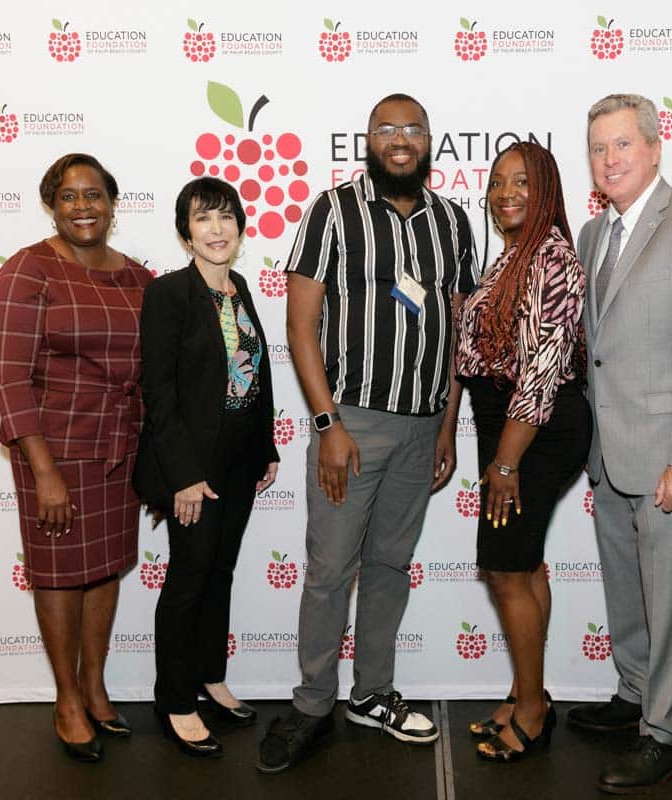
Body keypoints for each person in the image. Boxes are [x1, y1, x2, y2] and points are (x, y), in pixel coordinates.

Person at [257, 93, 477, 774]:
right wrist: (328, 424)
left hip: (423, 427)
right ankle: (311, 704)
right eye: (387, 129)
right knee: (330, 572)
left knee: (389, 567)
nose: (400, 139)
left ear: (429, 141)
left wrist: (447, 427)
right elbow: (300, 327)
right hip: (351, 425)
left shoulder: (453, 221)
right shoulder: (332, 211)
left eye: (413, 129)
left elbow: (458, 332)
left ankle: (372, 693)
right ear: (369, 141)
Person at [567, 95, 672, 792]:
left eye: (622, 144)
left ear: (655, 147)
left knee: (670, 603)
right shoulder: (592, 234)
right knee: (629, 593)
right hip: (611, 455)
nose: (609, 159)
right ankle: (636, 694)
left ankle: (668, 733)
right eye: (598, 148)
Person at [0, 153, 152, 763]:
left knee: (105, 567)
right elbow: (9, 377)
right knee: (59, 572)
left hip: (118, 444)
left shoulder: (139, 278)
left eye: (93, 195)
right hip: (52, 447)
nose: (83, 206)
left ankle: (95, 687)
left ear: (112, 202)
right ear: (51, 205)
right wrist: (44, 471)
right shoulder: (27, 271)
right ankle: (65, 698)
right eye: (68, 196)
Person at [133, 178, 280, 756]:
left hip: (241, 461)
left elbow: (255, 373)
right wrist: (184, 476)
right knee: (189, 578)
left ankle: (210, 678)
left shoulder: (240, 289)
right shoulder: (169, 294)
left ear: (240, 227)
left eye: (226, 217)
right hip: (193, 466)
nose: (217, 229)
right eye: (203, 219)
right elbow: (159, 392)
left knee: (220, 573)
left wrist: (267, 446)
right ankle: (174, 698)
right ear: (185, 232)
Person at [454, 141, 591, 762]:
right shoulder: (510, 257)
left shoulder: (553, 258)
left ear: (547, 193)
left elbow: (539, 371)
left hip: (535, 430)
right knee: (525, 564)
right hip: (506, 427)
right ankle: (525, 692)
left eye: (522, 183)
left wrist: (506, 462)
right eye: (498, 182)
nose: (506, 193)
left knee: (507, 569)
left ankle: (533, 713)